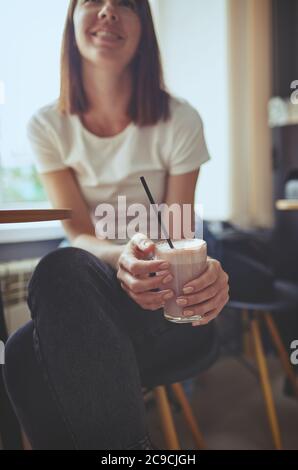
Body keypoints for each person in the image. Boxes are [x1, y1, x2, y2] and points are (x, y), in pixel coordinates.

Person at [8, 0, 229, 449]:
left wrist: (207, 273)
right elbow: (79, 234)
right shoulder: (47, 126)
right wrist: (121, 255)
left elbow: (180, 233)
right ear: (72, 19)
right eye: (94, 0)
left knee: (22, 354)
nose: (108, 10)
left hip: (164, 302)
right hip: (94, 283)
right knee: (62, 266)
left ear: (144, 27)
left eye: (126, 2)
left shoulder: (179, 120)